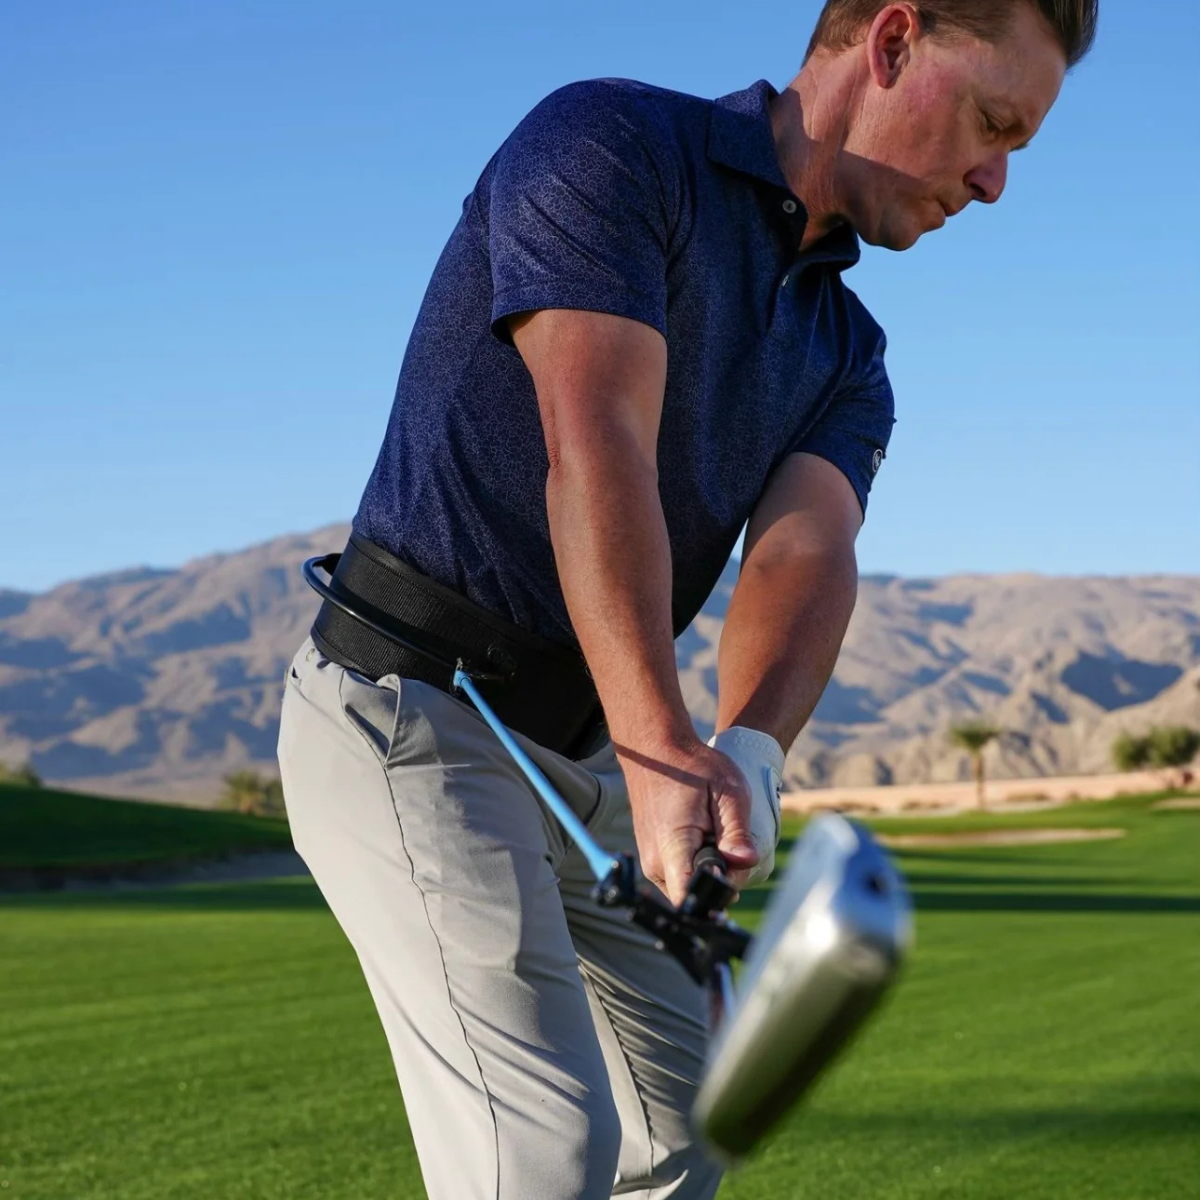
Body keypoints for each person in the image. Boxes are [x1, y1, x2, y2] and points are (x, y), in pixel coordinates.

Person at [276, 2, 1096, 1197]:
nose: (994, 178)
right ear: (892, 42)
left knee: (689, 1120)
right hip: (413, 712)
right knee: (542, 1156)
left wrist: (751, 747)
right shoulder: (611, 145)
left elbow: (801, 555)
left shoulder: (846, 353)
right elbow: (596, 439)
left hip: (597, 758)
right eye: (993, 121)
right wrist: (663, 744)